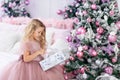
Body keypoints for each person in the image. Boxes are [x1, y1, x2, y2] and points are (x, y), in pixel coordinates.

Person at [0, 19, 65, 80]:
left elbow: (39, 54)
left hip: (40, 63)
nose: (40, 34)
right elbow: (26, 59)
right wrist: (38, 52)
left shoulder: (38, 40)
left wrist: (44, 53)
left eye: (42, 32)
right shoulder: (27, 42)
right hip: (29, 66)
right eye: (38, 32)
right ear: (32, 31)